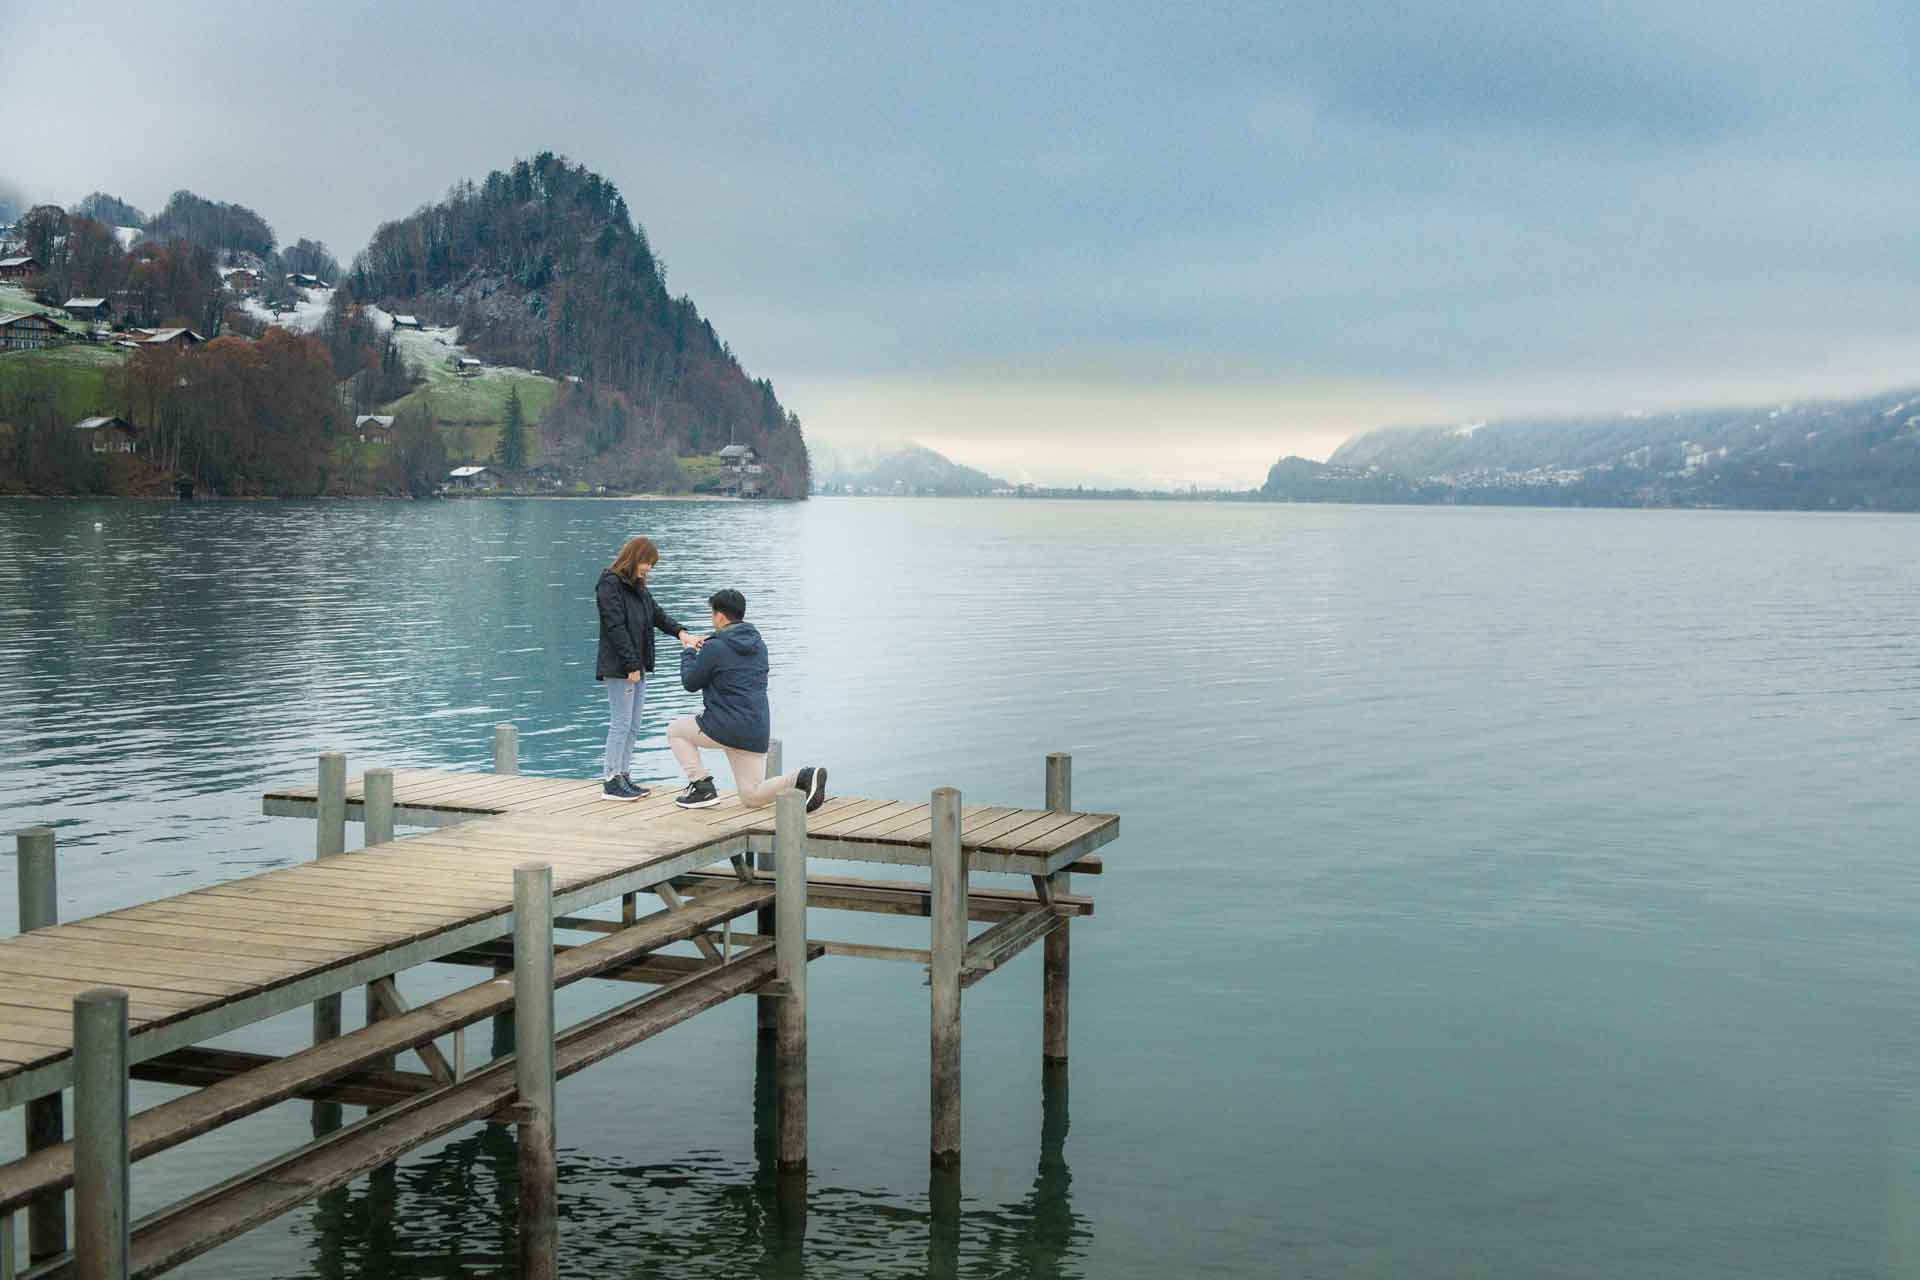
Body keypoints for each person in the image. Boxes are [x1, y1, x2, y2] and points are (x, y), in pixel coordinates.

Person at [669, 588, 828, 812]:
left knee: (675, 730)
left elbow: (691, 683)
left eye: (712, 614)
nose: (712, 619)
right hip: (755, 730)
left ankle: (701, 786)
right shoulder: (759, 646)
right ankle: (802, 776)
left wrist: (688, 652)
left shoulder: (714, 647)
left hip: (723, 727)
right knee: (752, 796)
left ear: (721, 616)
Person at [596, 536, 697, 801]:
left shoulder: (638, 587)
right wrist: (630, 665)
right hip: (621, 667)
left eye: (651, 565)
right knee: (620, 723)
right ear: (633, 558)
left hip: (637, 666)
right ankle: (611, 779)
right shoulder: (610, 583)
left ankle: (624, 775)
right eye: (646, 562)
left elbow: (657, 615)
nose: (648, 568)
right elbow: (614, 627)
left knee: (633, 725)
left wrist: (682, 633)